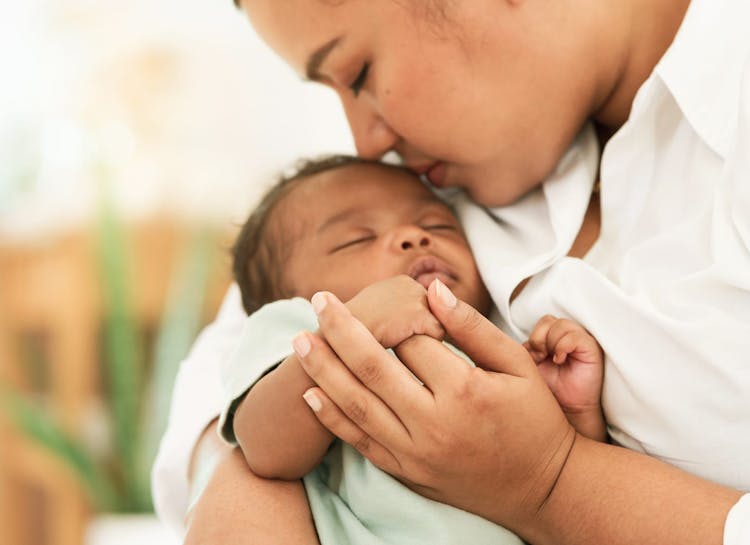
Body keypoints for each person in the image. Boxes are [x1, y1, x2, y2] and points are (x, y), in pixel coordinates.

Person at [153, 0, 750, 544]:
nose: (366, 142)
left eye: (357, 73)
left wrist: (555, 481)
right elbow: (231, 387)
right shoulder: (431, 172)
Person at [217, 154, 606, 545]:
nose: (414, 236)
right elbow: (265, 448)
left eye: (437, 224)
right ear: (285, 294)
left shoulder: (496, 344)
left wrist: (573, 415)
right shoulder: (296, 324)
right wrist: (350, 332)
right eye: (358, 239)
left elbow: (568, 496)